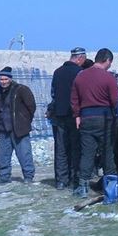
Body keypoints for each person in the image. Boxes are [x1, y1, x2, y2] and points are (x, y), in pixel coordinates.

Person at [70, 48, 118, 197]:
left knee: (87, 154)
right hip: (105, 119)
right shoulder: (108, 78)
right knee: (107, 153)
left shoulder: (80, 76)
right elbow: (115, 101)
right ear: (108, 60)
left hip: (86, 119)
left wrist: (77, 116)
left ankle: (83, 187)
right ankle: (110, 187)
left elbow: (74, 99)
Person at [0, 67, 37, 184]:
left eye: (5, 79)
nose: (3, 81)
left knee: (24, 154)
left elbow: (31, 106)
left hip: (19, 129)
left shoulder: (21, 89)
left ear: (10, 79)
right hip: (3, 129)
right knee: (3, 155)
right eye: (1, 79)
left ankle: (28, 176)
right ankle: (4, 177)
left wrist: (25, 121)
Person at [51, 47, 86, 190]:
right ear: (80, 58)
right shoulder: (80, 73)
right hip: (75, 116)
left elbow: (53, 93)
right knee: (76, 148)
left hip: (59, 115)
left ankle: (61, 180)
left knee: (61, 149)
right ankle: (75, 179)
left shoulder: (57, 72)